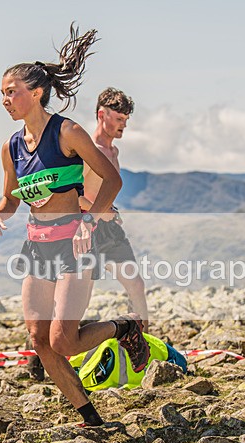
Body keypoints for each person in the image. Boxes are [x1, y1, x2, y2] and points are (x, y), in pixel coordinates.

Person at [0, 24, 150, 427]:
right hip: (37, 248)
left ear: (36, 92)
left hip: (75, 246)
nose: (5, 99)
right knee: (40, 340)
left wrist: (87, 223)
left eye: (11, 91)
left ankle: (123, 326)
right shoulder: (11, 147)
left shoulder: (68, 132)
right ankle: (91, 419)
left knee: (65, 342)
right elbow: (12, 198)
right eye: (2, 92)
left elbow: (112, 180)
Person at [80, 88, 149, 331]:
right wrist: (101, 213)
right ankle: (46, 354)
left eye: (126, 120)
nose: (124, 126)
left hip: (110, 229)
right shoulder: (88, 150)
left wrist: (111, 214)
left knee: (136, 285)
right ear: (102, 115)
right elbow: (74, 195)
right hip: (86, 230)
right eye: (119, 119)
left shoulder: (114, 151)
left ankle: (144, 349)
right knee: (80, 300)